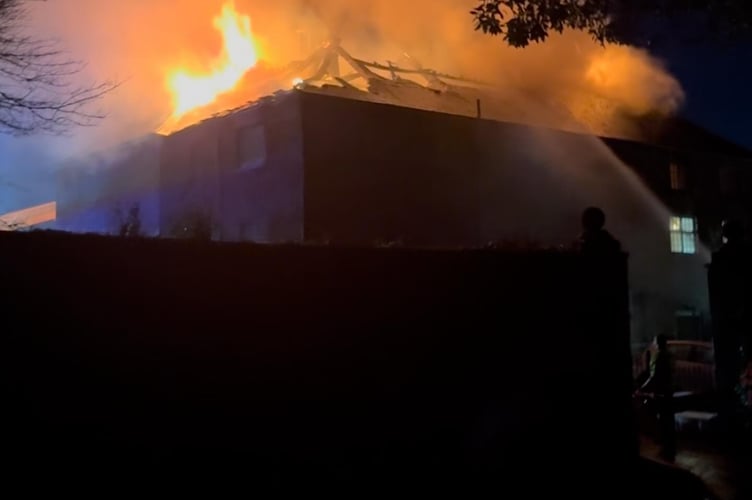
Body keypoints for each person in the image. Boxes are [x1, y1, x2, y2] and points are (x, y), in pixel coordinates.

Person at [639, 334, 676, 461]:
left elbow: (653, 376)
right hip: (668, 390)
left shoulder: (658, 356)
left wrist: (642, 388)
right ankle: (670, 445)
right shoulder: (670, 355)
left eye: (655, 341)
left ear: (658, 343)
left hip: (660, 391)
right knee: (669, 417)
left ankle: (665, 448)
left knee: (662, 417)